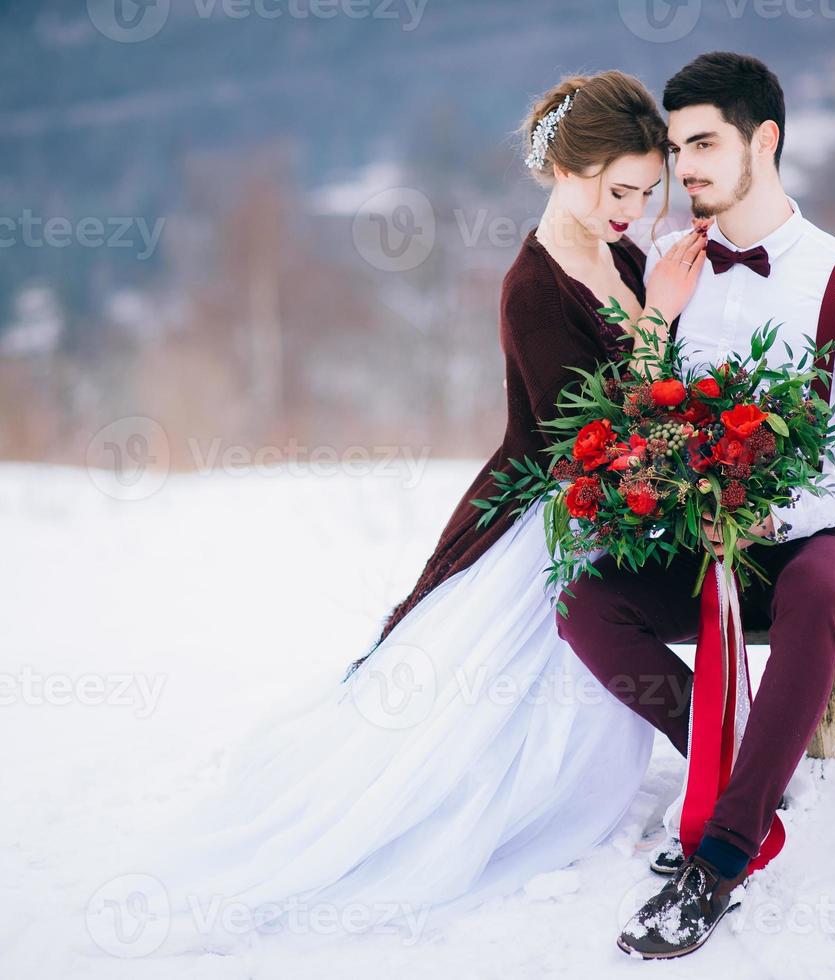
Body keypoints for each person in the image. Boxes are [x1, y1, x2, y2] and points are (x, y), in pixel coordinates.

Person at [149, 70, 710, 953]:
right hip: (550, 506)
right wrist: (660, 325)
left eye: (647, 193)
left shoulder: (625, 256)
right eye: (620, 190)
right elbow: (585, 433)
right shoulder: (533, 284)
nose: (634, 210)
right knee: (498, 704)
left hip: (615, 505)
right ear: (567, 167)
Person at [551, 52, 835, 959]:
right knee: (584, 603)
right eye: (677, 150)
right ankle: (740, 756)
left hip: (813, 543)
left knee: (809, 588)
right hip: (699, 544)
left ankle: (723, 851)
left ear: (766, 140)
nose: (687, 168)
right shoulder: (670, 270)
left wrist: (774, 519)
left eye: (705, 143)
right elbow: (643, 410)